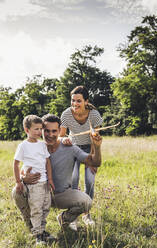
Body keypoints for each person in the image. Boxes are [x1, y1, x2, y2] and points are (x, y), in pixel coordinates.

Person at [11, 114, 102, 236]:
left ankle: (64, 219)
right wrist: (23, 177)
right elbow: (23, 169)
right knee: (17, 192)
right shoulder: (36, 147)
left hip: (61, 195)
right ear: (40, 130)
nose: (50, 135)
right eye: (46, 131)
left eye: (54, 131)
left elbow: (95, 162)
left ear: (60, 131)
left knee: (86, 202)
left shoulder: (70, 147)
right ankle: (32, 226)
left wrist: (96, 147)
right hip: (38, 193)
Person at [59, 85, 103, 229]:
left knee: (90, 181)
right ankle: (72, 217)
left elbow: (95, 139)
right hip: (73, 148)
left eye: (78, 101)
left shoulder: (94, 115)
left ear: (86, 101)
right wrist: (63, 140)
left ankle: (86, 214)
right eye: (73, 101)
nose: (75, 104)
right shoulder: (66, 114)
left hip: (89, 148)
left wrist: (92, 159)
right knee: (73, 180)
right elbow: (60, 136)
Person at [13, 115, 55, 245]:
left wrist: (50, 179)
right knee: (36, 209)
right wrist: (18, 182)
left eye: (40, 129)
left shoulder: (42, 145)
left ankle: (42, 230)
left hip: (44, 183)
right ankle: (38, 235)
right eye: (36, 129)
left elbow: (47, 162)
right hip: (34, 184)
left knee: (45, 207)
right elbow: (16, 164)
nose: (39, 132)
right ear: (27, 130)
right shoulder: (23, 146)